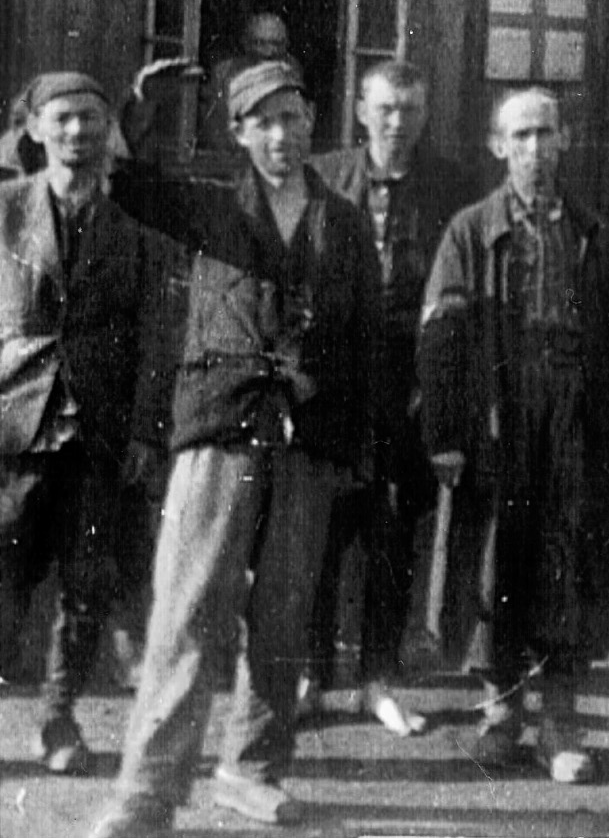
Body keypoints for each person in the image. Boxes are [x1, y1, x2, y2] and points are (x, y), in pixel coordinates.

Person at [88, 60, 382, 838]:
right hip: (220, 429)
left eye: (293, 117)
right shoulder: (211, 207)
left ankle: (251, 769)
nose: (282, 136)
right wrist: (136, 113)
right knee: (186, 612)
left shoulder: (345, 223)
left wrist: (350, 442)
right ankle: (146, 793)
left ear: (312, 120)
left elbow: (362, 340)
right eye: (264, 122)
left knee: (283, 615)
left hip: (307, 442)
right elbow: (123, 185)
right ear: (239, 133)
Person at [417, 87, 609, 782]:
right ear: (498, 145)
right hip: (498, 415)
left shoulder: (591, 233)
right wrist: (447, 433)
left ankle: (559, 720)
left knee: (566, 556)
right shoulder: (471, 230)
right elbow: (441, 337)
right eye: (521, 135)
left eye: (546, 133)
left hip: (571, 412)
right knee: (496, 560)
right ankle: (501, 712)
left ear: (564, 140)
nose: (535, 148)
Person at [302, 60, 479, 735]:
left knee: (392, 531)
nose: (397, 123)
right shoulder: (323, 177)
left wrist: (436, 396)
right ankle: (312, 671)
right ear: (360, 111)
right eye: (385, 109)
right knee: (319, 524)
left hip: (408, 380)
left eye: (410, 110)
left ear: (424, 115)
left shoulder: (452, 185)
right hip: (333, 377)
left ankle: (378, 677)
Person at [0, 73, 169, 777]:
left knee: (87, 579)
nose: (78, 133)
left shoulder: (129, 228)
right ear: (35, 128)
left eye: (92, 121)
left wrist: (143, 432)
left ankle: (59, 717)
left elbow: (154, 332)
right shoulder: (5, 210)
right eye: (64, 119)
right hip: (13, 421)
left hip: (98, 429)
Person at [198, 12, 298, 152]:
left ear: (286, 46)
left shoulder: (292, 74)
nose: (268, 52)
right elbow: (214, 127)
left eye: (276, 44)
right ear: (245, 43)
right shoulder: (224, 73)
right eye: (259, 43)